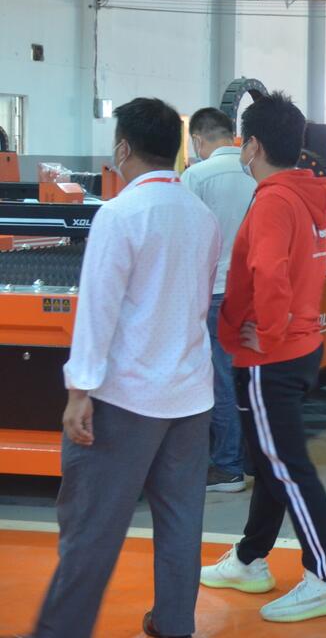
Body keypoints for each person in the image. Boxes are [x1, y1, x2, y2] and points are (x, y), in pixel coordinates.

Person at [29, 98, 219, 638]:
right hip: (190, 395)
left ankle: (60, 630)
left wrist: (79, 391)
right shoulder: (200, 215)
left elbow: (98, 308)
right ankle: (174, 623)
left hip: (126, 397)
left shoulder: (120, 214)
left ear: (123, 149)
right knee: (180, 521)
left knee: (92, 525)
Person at [200, 92, 326, 623]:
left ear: (253, 145)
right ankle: (250, 558)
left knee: (287, 467)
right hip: (299, 345)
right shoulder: (307, 193)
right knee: (271, 461)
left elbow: (268, 272)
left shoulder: (273, 199)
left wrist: (265, 334)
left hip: (272, 356)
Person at [183, 106, 256, 493]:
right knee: (249, 377)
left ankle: (227, 465)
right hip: (254, 293)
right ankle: (251, 459)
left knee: (222, 380)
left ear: (198, 139)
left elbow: (184, 237)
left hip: (214, 293)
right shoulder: (256, 173)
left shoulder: (196, 176)